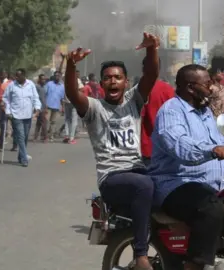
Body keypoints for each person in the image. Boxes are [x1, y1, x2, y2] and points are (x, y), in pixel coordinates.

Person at [64, 33, 159, 270]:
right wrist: (71, 65)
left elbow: (151, 75)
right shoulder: (94, 108)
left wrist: (152, 49)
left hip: (138, 171)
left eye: (118, 77)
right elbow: (72, 94)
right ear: (101, 84)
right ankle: (140, 255)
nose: (113, 81)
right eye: (108, 78)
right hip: (112, 177)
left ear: (126, 82)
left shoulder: (133, 101)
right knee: (145, 185)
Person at [148, 64, 224, 270]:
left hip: (208, 186)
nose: (213, 87)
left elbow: (223, 150)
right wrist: (212, 150)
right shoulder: (171, 111)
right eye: (208, 83)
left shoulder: (205, 113)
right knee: (210, 206)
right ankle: (194, 265)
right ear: (191, 87)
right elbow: (180, 146)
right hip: (176, 185)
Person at [2, 69, 42, 167]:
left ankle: (21, 156)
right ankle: (24, 159)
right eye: (15, 76)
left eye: (18, 76)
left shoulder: (31, 85)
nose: (16, 78)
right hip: (16, 115)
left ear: (24, 76)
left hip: (28, 115)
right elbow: (5, 98)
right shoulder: (11, 85)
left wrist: (37, 108)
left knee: (25, 137)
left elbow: (35, 97)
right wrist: (8, 111)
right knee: (20, 136)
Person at [140, 58, 175, 167]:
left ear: (143, 69)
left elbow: (138, 118)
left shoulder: (141, 91)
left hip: (147, 148)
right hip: (168, 147)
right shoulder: (169, 90)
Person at [45, 71, 65, 142]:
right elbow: (45, 94)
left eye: (58, 76)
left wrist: (63, 107)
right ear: (54, 76)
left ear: (60, 77)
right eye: (56, 75)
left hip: (56, 106)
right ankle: (45, 136)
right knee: (46, 121)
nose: (57, 77)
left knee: (53, 122)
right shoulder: (49, 84)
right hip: (48, 106)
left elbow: (62, 98)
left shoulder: (62, 86)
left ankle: (51, 136)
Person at [34, 74, 48, 142]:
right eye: (42, 79)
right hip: (39, 108)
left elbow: (44, 97)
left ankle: (35, 137)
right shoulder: (37, 87)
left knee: (39, 123)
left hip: (44, 107)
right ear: (39, 80)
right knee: (44, 122)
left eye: (44, 79)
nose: (44, 80)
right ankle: (45, 137)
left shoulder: (44, 87)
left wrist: (46, 106)